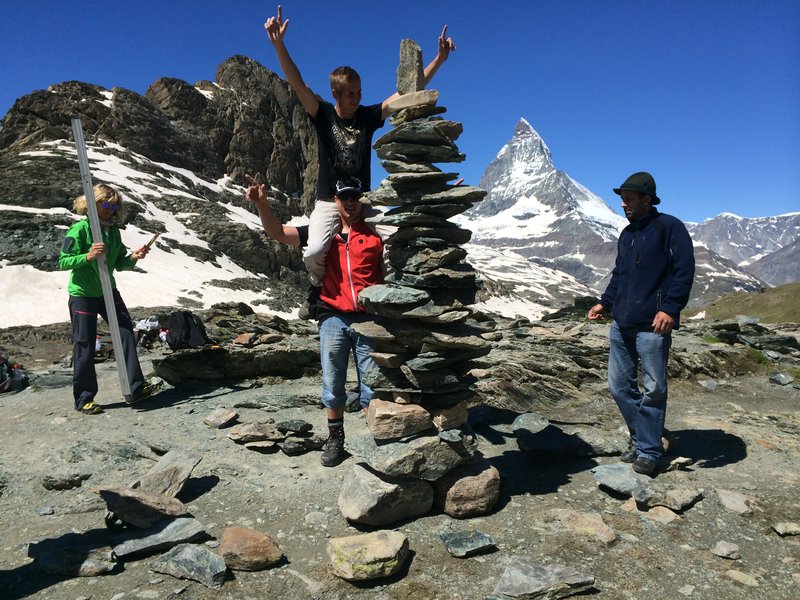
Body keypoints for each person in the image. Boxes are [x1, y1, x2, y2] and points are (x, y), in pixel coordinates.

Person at [263, 5, 455, 286]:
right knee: (314, 250)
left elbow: (404, 94)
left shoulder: (366, 116)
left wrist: (439, 60)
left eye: (359, 92)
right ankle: (320, 288)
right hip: (329, 201)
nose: (357, 98)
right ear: (335, 93)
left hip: (363, 200)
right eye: (351, 94)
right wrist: (279, 45)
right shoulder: (322, 114)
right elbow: (298, 84)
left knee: (394, 236)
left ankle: (387, 292)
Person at [246, 176, 385, 467]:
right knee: (333, 382)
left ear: (362, 200)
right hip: (333, 314)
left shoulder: (375, 232)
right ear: (336, 201)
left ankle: (378, 438)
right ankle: (336, 439)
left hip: (369, 317)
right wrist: (262, 204)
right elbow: (278, 233)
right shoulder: (322, 233)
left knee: (373, 384)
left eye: (355, 197)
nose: (350, 202)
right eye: (344, 197)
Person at [587, 172, 695, 476]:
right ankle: (645, 437)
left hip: (653, 325)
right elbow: (619, 275)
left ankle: (648, 450)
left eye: (629, 199)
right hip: (622, 323)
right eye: (622, 199)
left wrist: (670, 309)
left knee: (654, 388)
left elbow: (684, 270)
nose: (623, 204)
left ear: (647, 199)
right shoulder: (627, 234)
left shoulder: (669, 227)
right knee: (619, 386)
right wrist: (605, 303)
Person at [59, 184, 158, 414]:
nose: (110, 209)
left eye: (114, 206)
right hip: (83, 294)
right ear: (92, 203)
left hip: (108, 291)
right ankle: (84, 399)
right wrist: (88, 256)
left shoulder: (113, 231)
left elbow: (120, 264)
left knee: (125, 332)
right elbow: (63, 261)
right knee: (84, 343)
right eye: (105, 204)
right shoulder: (79, 230)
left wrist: (134, 257)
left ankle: (135, 389)